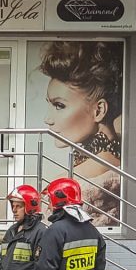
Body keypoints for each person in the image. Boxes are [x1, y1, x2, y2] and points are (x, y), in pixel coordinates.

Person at [40, 41, 123, 227]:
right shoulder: (113, 158)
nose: (47, 119)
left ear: (98, 110)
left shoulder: (71, 181)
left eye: (59, 105)